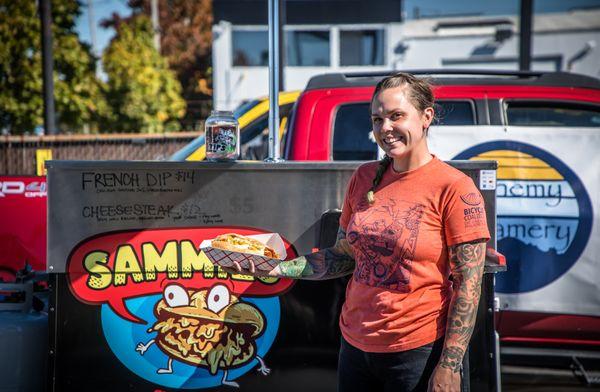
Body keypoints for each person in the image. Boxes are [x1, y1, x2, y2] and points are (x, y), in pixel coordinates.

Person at [225, 72, 490, 392]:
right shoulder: (364, 178)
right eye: (377, 119)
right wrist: (277, 267)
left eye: (396, 116)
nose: (385, 128)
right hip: (355, 346)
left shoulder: (454, 188)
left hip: (417, 352)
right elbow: (342, 256)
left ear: (426, 117)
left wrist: (449, 365)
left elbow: (468, 286)